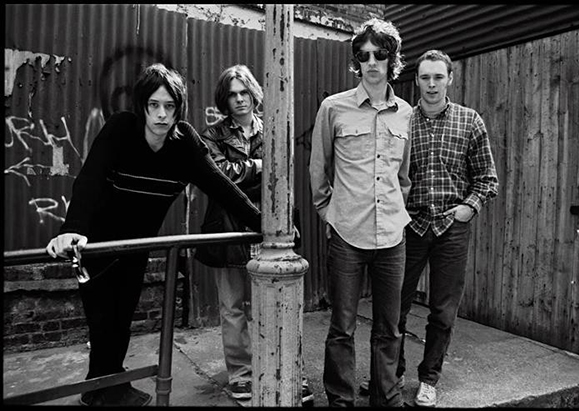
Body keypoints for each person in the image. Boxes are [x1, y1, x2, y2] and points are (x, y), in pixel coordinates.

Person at [45, 63, 262, 407]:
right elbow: (89, 179)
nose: (162, 115)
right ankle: (101, 389)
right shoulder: (121, 130)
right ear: (142, 106)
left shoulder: (184, 143)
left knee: (122, 319)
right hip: (99, 244)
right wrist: (72, 228)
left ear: (178, 109)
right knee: (104, 322)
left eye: (169, 106)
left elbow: (222, 187)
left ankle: (106, 389)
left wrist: (263, 224)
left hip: (138, 245)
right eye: (154, 105)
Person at [360, 49, 499, 407]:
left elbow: (487, 178)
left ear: (450, 78)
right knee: (395, 307)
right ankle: (391, 373)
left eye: (438, 77)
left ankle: (429, 378)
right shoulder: (402, 120)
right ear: (417, 80)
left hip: (452, 227)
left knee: (442, 311)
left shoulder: (470, 121)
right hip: (409, 226)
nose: (432, 84)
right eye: (425, 77)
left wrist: (469, 207)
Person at [194, 64, 313, 406]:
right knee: (232, 306)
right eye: (232, 94)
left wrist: (246, 175)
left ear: (254, 93)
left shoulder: (274, 128)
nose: (239, 99)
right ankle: (242, 374)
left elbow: (283, 174)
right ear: (224, 99)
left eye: (244, 92)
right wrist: (261, 167)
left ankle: (283, 367)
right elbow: (220, 177)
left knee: (274, 302)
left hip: (268, 225)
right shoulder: (212, 135)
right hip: (228, 228)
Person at [309, 18, 412, 407]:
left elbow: (404, 176)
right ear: (356, 61)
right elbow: (318, 168)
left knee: (389, 327)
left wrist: (397, 210)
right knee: (342, 327)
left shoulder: (405, 114)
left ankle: (387, 397)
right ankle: (341, 400)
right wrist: (328, 212)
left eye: (379, 54)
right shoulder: (333, 108)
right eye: (363, 55)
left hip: (392, 237)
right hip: (347, 235)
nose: (371, 62)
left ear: (391, 59)